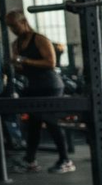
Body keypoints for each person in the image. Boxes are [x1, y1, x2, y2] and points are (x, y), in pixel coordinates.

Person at [4, 10, 74, 174]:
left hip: (51, 86)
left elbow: (51, 63)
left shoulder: (40, 39)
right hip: (33, 86)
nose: (13, 30)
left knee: (50, 121)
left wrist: (24, 60)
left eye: (15, 26)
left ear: (23, 22)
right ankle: (30, 161)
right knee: (33, 124)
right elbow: (22, 68)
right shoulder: (16, 44)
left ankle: (66, 160)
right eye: (10, 27)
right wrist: (15, 66)